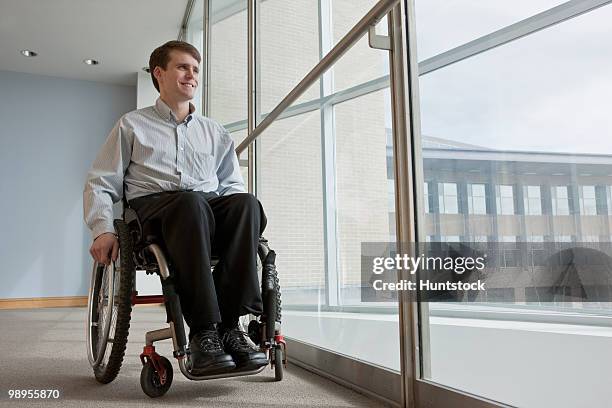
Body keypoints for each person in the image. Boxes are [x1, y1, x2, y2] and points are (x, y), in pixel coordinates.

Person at [83, 40, 268, 375]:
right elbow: (100, 181)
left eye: (195, 69)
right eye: (183, 67)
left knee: (246, 204)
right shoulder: (132, 125)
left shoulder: (214, 132)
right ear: (160, 73)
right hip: (154, 213)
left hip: (204, 210)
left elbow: (231, 185)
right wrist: (102, 229)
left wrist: (235, 207)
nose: (191, 75)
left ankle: (229, 328)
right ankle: (203, 331)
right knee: (190, 202)